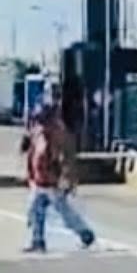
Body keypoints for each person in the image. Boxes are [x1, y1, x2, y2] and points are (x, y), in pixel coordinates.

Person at [22, 104, 96, 253]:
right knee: (35, 211)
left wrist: (66, 179)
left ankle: (85, 234)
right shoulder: (37, 133)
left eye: (42, 119)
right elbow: (31, 155)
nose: (40, 123)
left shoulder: (57, 135)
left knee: (65, 213)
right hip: (39, 181)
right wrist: (30, 175)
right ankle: (38, 241)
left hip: (53, 182)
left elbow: (65, 160)